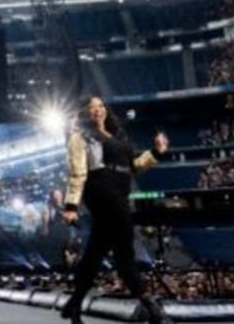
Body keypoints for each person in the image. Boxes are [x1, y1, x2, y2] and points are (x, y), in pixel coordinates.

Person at [61, 96, 173, 324]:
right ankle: (152, 308)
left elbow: (132, 166)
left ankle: (74, 304)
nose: (97, 110)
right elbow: (78, 173)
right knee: (124, 250)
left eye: (100, 106)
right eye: (91, 107)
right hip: (101, 191)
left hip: (120, 192)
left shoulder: (118, 134)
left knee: (95, 252)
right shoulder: (80, 136)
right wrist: (71, 206)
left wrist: (156, 152)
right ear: (84, 113)